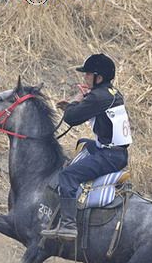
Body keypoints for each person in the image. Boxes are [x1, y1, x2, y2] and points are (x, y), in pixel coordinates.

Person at [41, 54, 132, 240]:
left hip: (109, 155)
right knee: (83, 143)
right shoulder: (112, 93)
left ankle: (68, 225)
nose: (85, 78)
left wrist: (76, 100)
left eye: (88, 74)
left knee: (67, 176)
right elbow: (91, 111)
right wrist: (78, 104)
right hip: (113, 151)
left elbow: (72, 118)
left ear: (98, 77)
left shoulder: (97, 97)